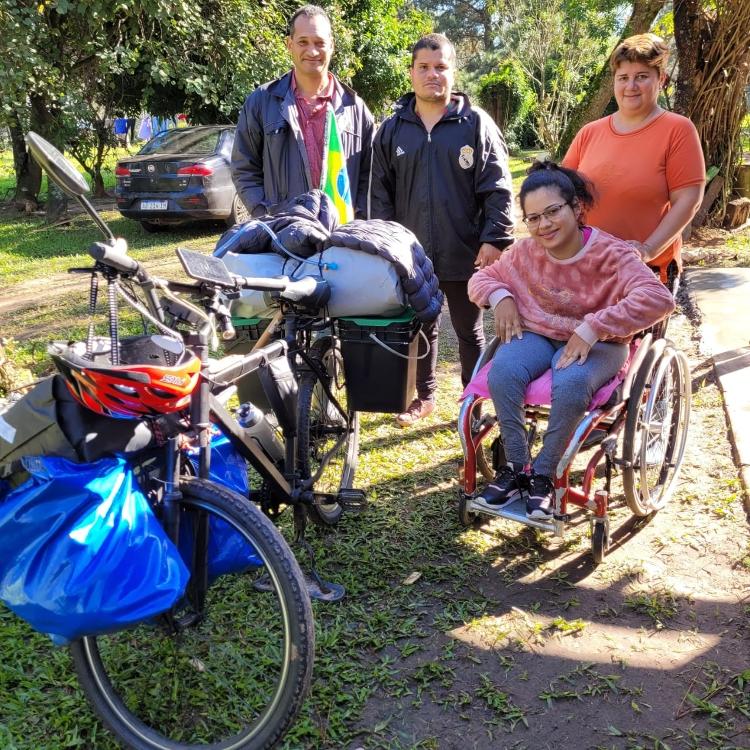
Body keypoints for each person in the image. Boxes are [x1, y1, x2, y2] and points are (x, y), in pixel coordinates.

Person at [467, 162, 675, 519]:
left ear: (576, 208)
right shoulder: (524, 252)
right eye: (533, 218)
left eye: (552, 212)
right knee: (502, 371)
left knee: (572, 380)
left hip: (601, 343)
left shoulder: (613, 254)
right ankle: (516, 468)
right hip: (539, 334)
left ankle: (544, 475)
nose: (543, 225)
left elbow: (659, 299)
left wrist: (595, 326)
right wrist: (501, 296)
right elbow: (481, 279)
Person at [370, 33, 514, 427]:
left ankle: (474, 401)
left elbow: (498, 187)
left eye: (441, 67)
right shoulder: (392, 129)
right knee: (420, 327)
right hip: (411, 256)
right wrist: (386, 248)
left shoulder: (475, 124)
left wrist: (493, 239)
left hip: (466, 250)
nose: (433, 75)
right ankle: (425, 397)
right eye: (424, 67)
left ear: (453, 71)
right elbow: (379, 194)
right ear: (412, 72)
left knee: (469, 331)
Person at [562, 33, 705, 283]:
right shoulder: (589, 132)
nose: (631, 86)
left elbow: (688, 199)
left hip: (645, 270)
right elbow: (560, 191)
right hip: (587, 265)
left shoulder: (677, 130)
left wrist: (647, 249)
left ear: (660, 79)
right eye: (623, 78)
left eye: (641, 77)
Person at [232, 4, 374, 220]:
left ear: (332, 46)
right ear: (289, 45)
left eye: (319, 43)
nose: (312, 51)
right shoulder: (262, 101)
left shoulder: (355, 108)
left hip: (341, 236)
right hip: (282, 235)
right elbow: (244, 167)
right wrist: (264, 214)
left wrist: (359, 217)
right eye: (303, 42)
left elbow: (370, 174)